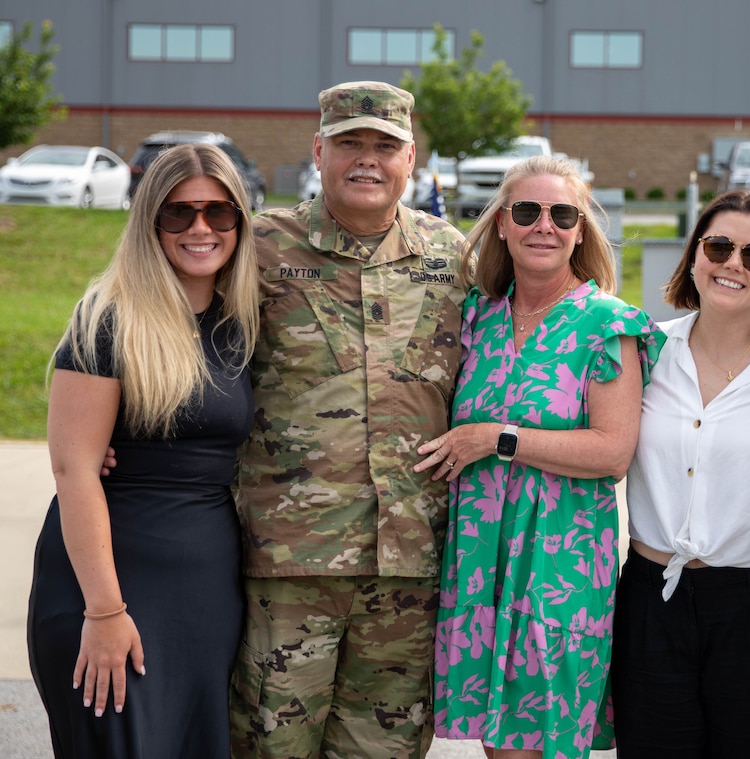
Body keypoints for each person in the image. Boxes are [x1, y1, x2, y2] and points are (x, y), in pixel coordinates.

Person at [226, 81, 468, 758]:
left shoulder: (451, 257)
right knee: (271, 746)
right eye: (349, 143)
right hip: (288, 565)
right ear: (318, 150)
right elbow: (187, 347)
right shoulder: (263, 246)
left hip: (411, 566)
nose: (368, 159)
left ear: (411, 157)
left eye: (384, 146)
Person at [413, 154, 664, 758]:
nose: (542, 225)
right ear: (501, 222)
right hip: (479, 556)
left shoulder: (606, 324)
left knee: (539, 743)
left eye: (561, 213)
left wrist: (496, 438)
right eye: (526, 211)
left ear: (580, 229)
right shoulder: (477, 318)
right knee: (499, 746)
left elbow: (612, 452)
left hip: (561, 565)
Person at [27, 143, 260, 758]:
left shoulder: (243, 322)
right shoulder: (108, 318)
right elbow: (74, 467)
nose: (201, 228)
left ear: (241, 219)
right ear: (149, 222)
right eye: (178, 214)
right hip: (110, 581)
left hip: (207, 587)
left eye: (219, 212)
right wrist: (104, 611)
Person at [610, 190, 750, 757]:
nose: (734, 263)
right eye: (719, 246)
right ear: (695, 256)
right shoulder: (645, 350)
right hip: (651, 597)